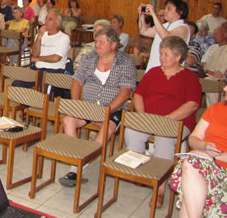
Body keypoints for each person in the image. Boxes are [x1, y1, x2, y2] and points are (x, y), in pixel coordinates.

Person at [126, 36, 201, 207]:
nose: (162, 57)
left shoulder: (189, 78)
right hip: (149, 117)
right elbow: (138, 94)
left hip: (176, 121)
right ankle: (140, 171)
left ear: (178, 57)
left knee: (164, 139)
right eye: (161, 53)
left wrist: (167, 119)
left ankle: (159, 188)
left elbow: (192, 105)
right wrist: (143, 114)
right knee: (132, 131)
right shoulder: (153, 72)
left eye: (166, 54)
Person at [59, 28, 136, 187]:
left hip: (114, 109)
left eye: (101, 42)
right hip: (89, 105)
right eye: (96, 42)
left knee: (106, 127)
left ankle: (78, 166)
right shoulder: (89, 57)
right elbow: (77, 82)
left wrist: (105, 112)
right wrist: (76, 105)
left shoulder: (125, 62)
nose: (97, 45)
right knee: (68, 121)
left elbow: (125, 92)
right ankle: (78, 163)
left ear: (113, 44)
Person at [159, 92, 227, 218]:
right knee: (191, 164)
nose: (225, 88)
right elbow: (194, 138)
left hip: (221, 167)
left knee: (190, 180)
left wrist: (216, 156)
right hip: (208, 164)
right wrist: (204, 145)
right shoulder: (215, 109)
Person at [12, 10, 70, 89]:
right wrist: (39, 36)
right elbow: (35, 54)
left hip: (54, 71)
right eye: (46, 18)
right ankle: (26, 100)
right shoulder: (40, 35)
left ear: (57, 23)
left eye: (50, 19)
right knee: (16, 84)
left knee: (44, 88)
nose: (46, 21)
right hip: (37, 70)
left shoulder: (64, 38)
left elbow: (56, 58)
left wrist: (38, 59)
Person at [139, 0, 190, 72]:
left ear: (180, 12)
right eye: (165, 8)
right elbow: (144, 31)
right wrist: (141, 14)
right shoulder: (164, 26)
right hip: (154, 67)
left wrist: (153, 14)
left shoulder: (183, 28)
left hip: (170, 71)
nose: (165, 11)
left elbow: (167, 38)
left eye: (169, 9)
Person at [201, 22, 227, 106]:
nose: (214, 36)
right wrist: (214, 74)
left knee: (209, 82)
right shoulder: (215, 49)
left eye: (216, 34)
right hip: (214, 79)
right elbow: (207, 69)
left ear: (225, 35)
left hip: (223, 81)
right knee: (204, 81)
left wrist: (223, 76)